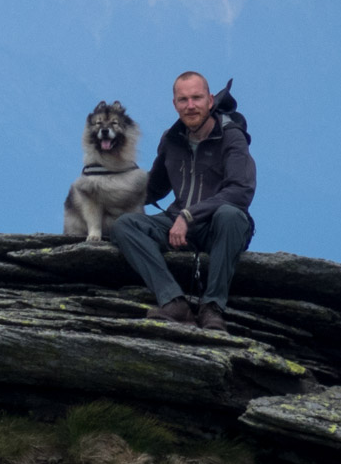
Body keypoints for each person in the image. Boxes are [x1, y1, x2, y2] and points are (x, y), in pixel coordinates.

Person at [109, 71, 256, 333]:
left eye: (197, 98)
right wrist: (109, 195)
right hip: (177, 225)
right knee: (125, 225)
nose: (190, 106)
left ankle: (213, 308)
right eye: (183, 99)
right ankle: (173, 302)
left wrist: (188, 215)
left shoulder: (231, 136)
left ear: (210, 100)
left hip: (217, 227)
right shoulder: (171, 139)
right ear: (174, 104)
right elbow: (153, 188)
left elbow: (240, 191)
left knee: (231, 215)